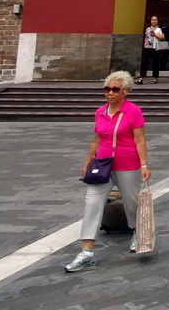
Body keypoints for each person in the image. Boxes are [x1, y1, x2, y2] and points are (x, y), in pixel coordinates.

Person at [64, 70, 151, 272]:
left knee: (131, 203)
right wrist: (87, 162)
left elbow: (140, 139)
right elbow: (96, 139)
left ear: (125, 91)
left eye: (114, 89)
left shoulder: (133, 111)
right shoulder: (100, 111)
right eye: (107, 89)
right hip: (102, 164)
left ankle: (137, 233)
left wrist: (144, 165)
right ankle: (86, 251)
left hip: (127, 162)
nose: (109, 93)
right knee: (92, 202)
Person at [136, 15, 166, 84]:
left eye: (155, 20)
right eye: (152, 20)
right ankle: (141, 78)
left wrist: (155, 35)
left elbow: (162, 38)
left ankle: (155, 78)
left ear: (157, 21)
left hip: (156, 48)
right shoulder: (148, 29)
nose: (153, 21)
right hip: (147, 47)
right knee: (144, 62)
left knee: (155, 63)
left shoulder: (160, 29)